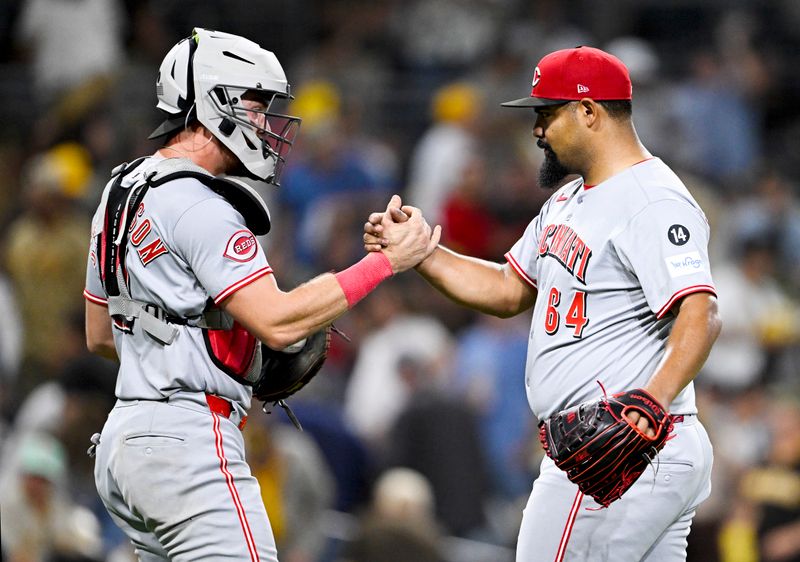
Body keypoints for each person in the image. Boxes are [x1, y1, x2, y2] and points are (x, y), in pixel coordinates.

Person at [83, 28, 438, 562]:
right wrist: (385, 262)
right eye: (254, 105)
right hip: (187, 439)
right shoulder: (200, 203)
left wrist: (191, 345)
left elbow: (99, 336)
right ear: (210, 101)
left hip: (124, 443)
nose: (266, 124)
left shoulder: (120, 191)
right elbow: (278, 322)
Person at [365, 46, 722, 561]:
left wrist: (652, 401)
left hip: (620, 447)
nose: (536, 128)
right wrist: (423, 254)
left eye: (545, 112)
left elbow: (701, 312)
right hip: (621, 447)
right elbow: (510, 289)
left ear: (589, 111)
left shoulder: (652, 199)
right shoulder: (569, 199)